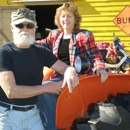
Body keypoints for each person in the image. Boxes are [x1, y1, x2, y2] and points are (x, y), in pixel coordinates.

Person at [0, 8, 79, 130]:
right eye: (20, 25)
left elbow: (64, 68)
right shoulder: (4, 52)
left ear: (34, 28)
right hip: (8, 116)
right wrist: (48, 88)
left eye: (29, 25)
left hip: (33, 115)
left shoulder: (40, 51)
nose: (25, 29)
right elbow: (11, 91)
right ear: (12, 28)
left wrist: (70, 70)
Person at [35, 2, 108, 130]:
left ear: (75, 19)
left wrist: (100, 68)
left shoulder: (84, 35)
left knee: (44, 89)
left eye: (69, 16)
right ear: (58, 19)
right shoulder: (54, 35)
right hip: (59, 74)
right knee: (35, 87)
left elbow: (95, 55)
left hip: (78, 75)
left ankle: (51, 127)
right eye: (63, 16)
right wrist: (23, 42)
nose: (65, 19)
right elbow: (40, 45)